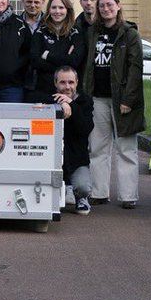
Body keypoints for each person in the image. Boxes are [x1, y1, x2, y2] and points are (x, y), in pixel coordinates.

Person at [80, 0, 145, 209]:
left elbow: (135, 69)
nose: (105, 9)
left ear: (118, 6)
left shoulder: (129, 34)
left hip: (122, 100)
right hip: (97, 98)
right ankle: (99, 192)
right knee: (98, 147)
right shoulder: (92, 33)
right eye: (101, 5)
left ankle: (128, 196)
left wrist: (128, 99)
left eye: (109, 4)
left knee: (126, 148)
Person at [25, 0, 84, 104]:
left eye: (61, 7)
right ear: (49, 10)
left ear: (67, 10)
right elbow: (35, 60)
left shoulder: (75, 32)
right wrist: (65, 59)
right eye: (54, 7)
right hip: (43, 91)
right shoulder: (41, 31)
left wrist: (48, 56)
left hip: (68, 92)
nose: (57, 11)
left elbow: (75, 61)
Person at [54, 66, 95, 215]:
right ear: (56, 83)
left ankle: (81, 197)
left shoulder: (85, 101)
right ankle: (63, 190)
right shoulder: (49, 100)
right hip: (55, 160)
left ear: (77, 82)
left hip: (77, 159)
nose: (67, 87)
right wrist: (62, 104)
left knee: (83, 187)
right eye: (62, 82)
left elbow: (85, 128)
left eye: (71, 82)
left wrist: (71, 104)